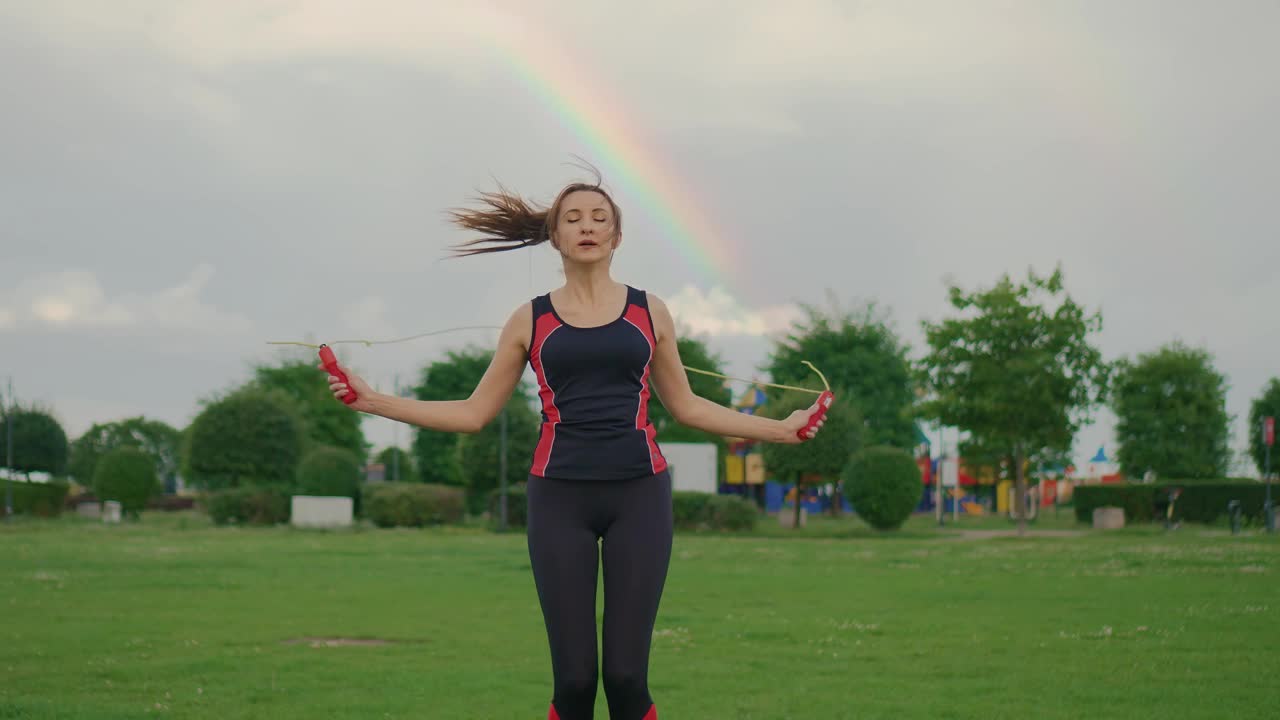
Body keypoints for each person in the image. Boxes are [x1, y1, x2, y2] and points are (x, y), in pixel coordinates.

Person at [322, 168, 829, 720]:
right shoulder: (529, 319)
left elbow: (686, 406)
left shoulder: (649, 310)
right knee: (576, 681)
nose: (586, 226)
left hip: (640, 494)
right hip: (558, 497)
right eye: (572, 218)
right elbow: (474, 413)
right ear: (555, 237)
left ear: (616, 237)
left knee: (627, 677)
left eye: (599, 218)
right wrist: (374, 402)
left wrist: (784, 429)